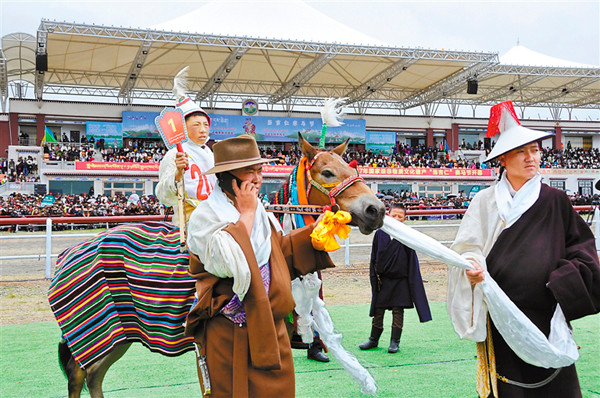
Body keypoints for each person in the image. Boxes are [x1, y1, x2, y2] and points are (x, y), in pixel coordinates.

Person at [447, 101, 600, 397]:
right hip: (501, 313)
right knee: (510, 387)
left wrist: (562, 281)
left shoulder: (556, 200)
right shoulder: (485, 201)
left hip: (547, 311)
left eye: (535, 150)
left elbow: (583, 250)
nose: (531, 157)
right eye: (521, 151)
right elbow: (467, 248)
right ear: (503, 159)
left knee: (557, 386)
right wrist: (473, 268)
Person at [183, 135, 334, 397]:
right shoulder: (205, 215)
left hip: (271, 326)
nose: (257, 178)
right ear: (228, 177)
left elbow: (277, 252)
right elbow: (229, 262)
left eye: (259, 170)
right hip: (229, 331)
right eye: (248, 171)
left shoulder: (258, 210)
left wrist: (315, 235)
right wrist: (248, 214)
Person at [359, 203, 431, 353]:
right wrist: (374, 276)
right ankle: (373, 339)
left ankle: (394, 342)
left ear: (404, 219)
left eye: (400, 216)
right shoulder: (380, 233)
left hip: (400, 280)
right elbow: (374, 258)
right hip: (383, 280)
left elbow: (412, 262)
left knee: (398, 311)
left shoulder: (407, 236)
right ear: (387, 216)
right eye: (394, 216)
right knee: (378, 311)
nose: (396, 218)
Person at [155, 96, 216, 227]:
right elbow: (162, 195)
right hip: (188, 222)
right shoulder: (173, 155)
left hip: (215, 215)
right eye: (196, 125)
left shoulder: (211, 154)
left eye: (206, 125)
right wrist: (177, 174)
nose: (203, 130)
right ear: (183, 128)